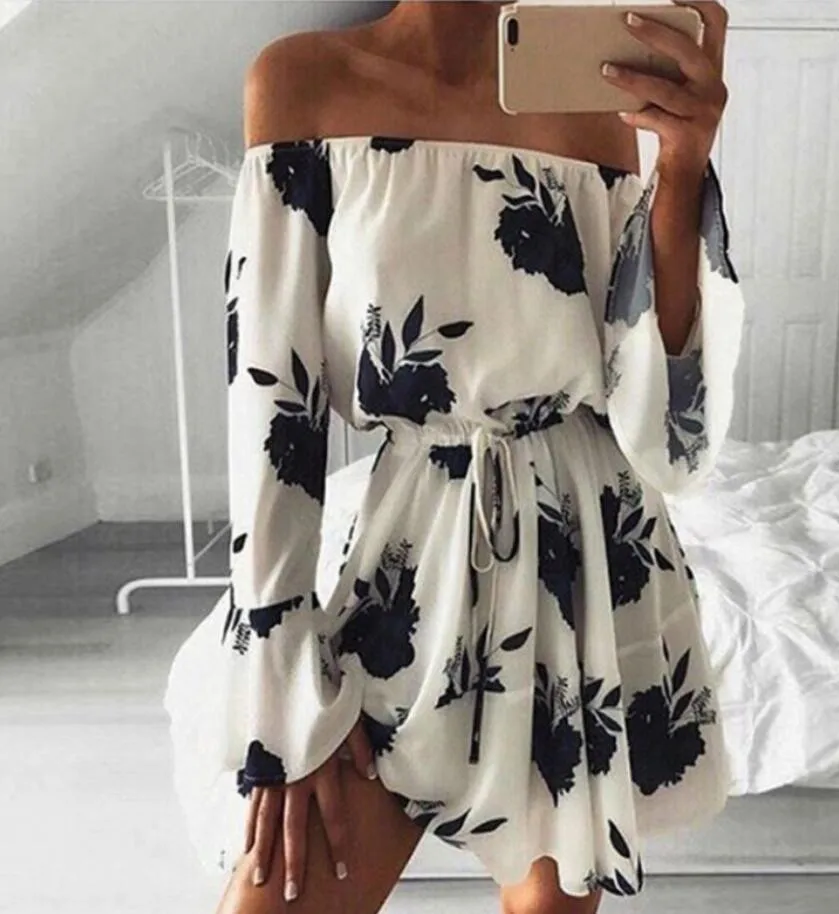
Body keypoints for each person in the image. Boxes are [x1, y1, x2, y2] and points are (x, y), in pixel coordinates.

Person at [162, 2, 744, 912]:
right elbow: (272, 399)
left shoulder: (596, 98)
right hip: (413, 546)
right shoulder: (303, 82)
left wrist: (683, 165)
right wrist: (280, 692)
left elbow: (649, 395)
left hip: (583, 543)